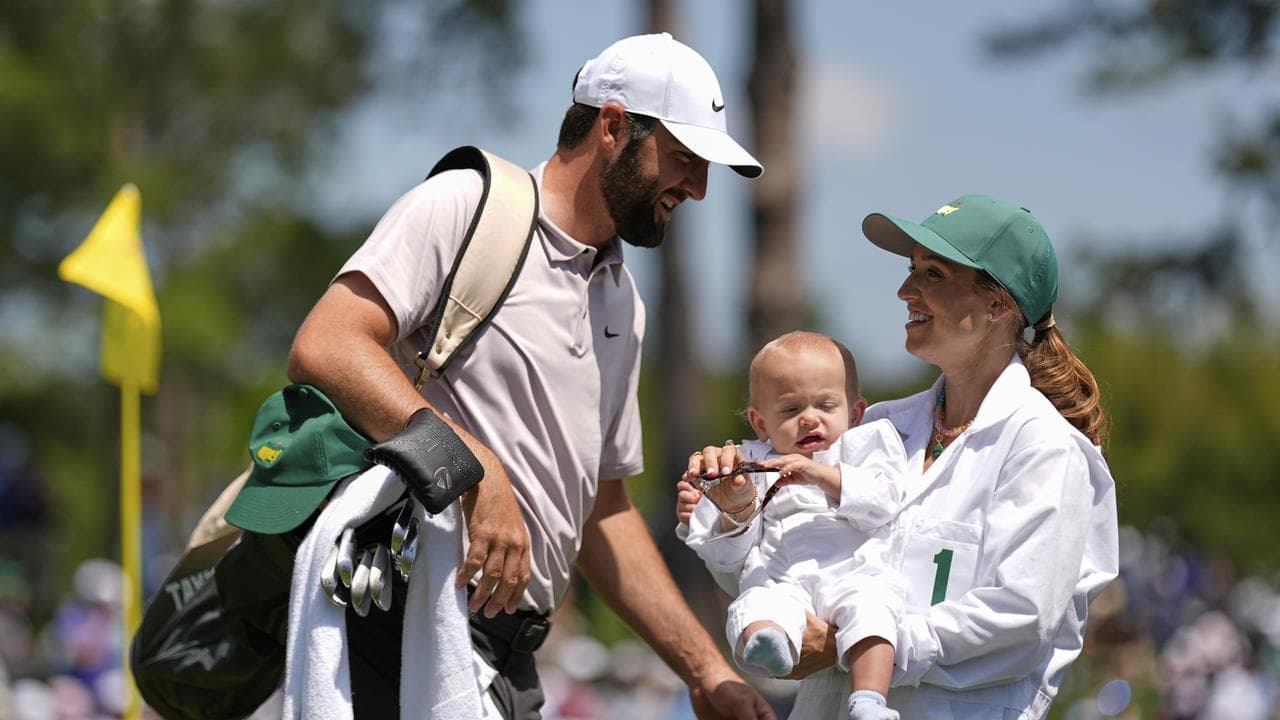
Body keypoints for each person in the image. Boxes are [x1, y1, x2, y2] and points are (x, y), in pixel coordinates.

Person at [277, 32, 773, 720]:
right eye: (685, 158)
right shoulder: (465, 205)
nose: (697, 186)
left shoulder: (623, 304)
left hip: (508, 655)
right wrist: (472, 466)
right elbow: (327, 345)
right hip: (404, 626)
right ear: (613, 126)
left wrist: (705, 672)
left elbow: (603, 510)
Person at [681, 195, 1119, 719]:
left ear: (999, 304)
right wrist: (735, 510)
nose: (904, 290)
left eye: (932, 274)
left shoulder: (1045, 448)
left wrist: (865, 643)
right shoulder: (877, 427)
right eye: (911, 270)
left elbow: (1022, 620)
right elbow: (784, 563)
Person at [677, 331, 908, 720]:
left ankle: (869, 700)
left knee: (876, 612)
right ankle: (771, 643)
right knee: (755, 602)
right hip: (782, 577)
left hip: (854, 572)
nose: (809, 417)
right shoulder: (751, 461)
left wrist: (822, 475)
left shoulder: (867, 446)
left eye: (826, 404)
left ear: (854, 413)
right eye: (789, 410)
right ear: (760, 422)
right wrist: (712, 510)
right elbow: (724, 553)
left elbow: (885, 501)